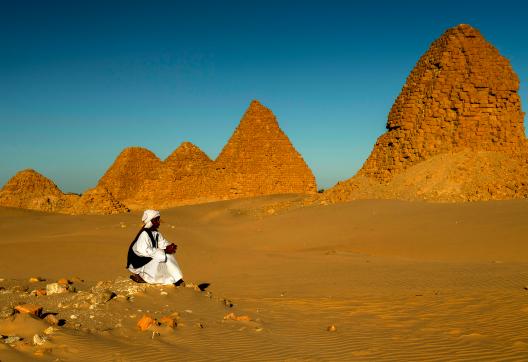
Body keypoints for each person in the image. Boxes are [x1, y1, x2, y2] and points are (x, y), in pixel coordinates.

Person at [127, 209, 185, 286]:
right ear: (151, 221)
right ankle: (142, 277)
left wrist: (169, 246)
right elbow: (143, 251)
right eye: (157, 220)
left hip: (147, 259)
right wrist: (164, 251)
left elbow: (162, 243)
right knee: (163, 256)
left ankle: (176, 278)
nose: (159, 222)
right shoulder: (144, 234)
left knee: (166, 255)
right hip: (138, 263)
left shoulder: (156, 233)